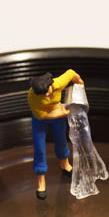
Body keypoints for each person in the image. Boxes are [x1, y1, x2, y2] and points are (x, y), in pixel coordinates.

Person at [28, 69, 84, 200]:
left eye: (48, 93)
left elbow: (71, 73)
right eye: (43, 96)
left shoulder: (57, 83)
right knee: (40, 148)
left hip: (58, 114)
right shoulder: (32, 96)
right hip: (41, 119)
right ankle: (41, 179)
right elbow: (43, 115)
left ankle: (65, 164)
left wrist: (80, 83)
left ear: (51, 85)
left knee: (61, 140)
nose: (47, 96)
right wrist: (64, 112)